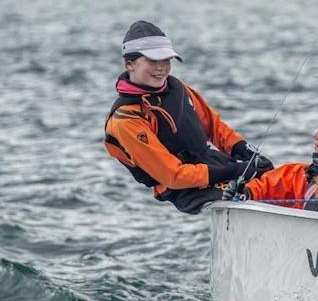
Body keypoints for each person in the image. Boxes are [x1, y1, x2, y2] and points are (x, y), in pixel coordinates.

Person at [104, 20, 272, 214]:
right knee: (256, 194)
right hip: (183, 189)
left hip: (212, 166)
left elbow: (214, 127)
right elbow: (173, 176)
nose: (162, 68)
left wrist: (245, 151)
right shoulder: (126, 120)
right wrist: (236, 171)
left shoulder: (178, 89)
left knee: (277, 177)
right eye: (152, 61)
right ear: (130, 64)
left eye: (166, 60)